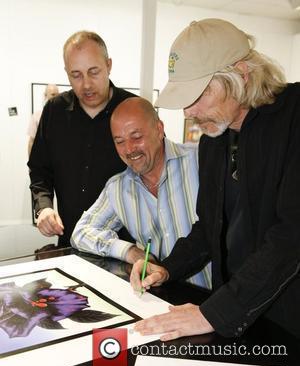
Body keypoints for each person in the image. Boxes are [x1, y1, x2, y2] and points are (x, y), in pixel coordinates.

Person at [131, 18, 300, 340]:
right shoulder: (213, 141)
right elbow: (209, 226)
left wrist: (213, 313)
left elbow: (291, 237)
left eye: (199, 95)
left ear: (241, 75)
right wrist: (167, 267)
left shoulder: (295, 119)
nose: (187, 112)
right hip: (236, 311)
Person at [71, 97, 211, 289]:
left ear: (159, 129)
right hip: (161, 300)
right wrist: (128, 251)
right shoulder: (117, 188)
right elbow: (81, 233)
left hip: (216, 303)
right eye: (119, 141)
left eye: (137, 137)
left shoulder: (199, 162)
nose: (129, 149)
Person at [28, 31, 136, 247]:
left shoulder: (133, 109)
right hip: (69, 243)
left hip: (124, 248)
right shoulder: (54, 112)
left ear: (109, 65)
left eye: (94, 72)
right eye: (76, 75)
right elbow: (39, 169)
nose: (86, 84)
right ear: (66, 73)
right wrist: (44, 206)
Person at [27, 84, 59, 156]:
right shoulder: (37, 116)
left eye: (58, 94)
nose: (56, 97)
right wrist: (31, 165)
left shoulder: (65, 116)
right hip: (43, 160)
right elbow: (32, 142)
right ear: (45, 95)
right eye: (53, 94)